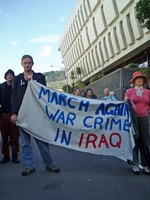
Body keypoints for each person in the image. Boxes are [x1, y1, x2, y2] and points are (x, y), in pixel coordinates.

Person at [11, 55, 60, 176]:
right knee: (25, 143)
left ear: (33, 63)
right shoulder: (17, 79)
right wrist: (14, 113)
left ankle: (49, 164)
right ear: (21, 64)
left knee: (42, 141)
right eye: (25, 63)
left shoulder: (40, 77)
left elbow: (44, 95)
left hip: (38, 114)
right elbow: (14, 96)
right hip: (23, 115)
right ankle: (29, 165)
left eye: (29, 63)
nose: (27, 65)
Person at [124, 71, 150, 175]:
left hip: (144, 117)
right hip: (133, 119)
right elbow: (125, 103)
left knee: (145, 141)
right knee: (135, 140)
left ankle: (146, 164)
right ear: (134, 81)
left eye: (141, 78)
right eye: (137, 78)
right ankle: (135, 163)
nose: (140, 80)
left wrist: (146, 109)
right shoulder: (129, 91)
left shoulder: (147, 92)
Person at [0, 69, 20, 164]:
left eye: (11, 74)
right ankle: (6, 155)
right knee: (4, 136)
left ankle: (15, 155)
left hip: (15, 113)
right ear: (5, 76)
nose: (9, 76)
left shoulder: (16, 87)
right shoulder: (1, 87)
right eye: (8, 74)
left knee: (15, 136)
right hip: (4, 113)